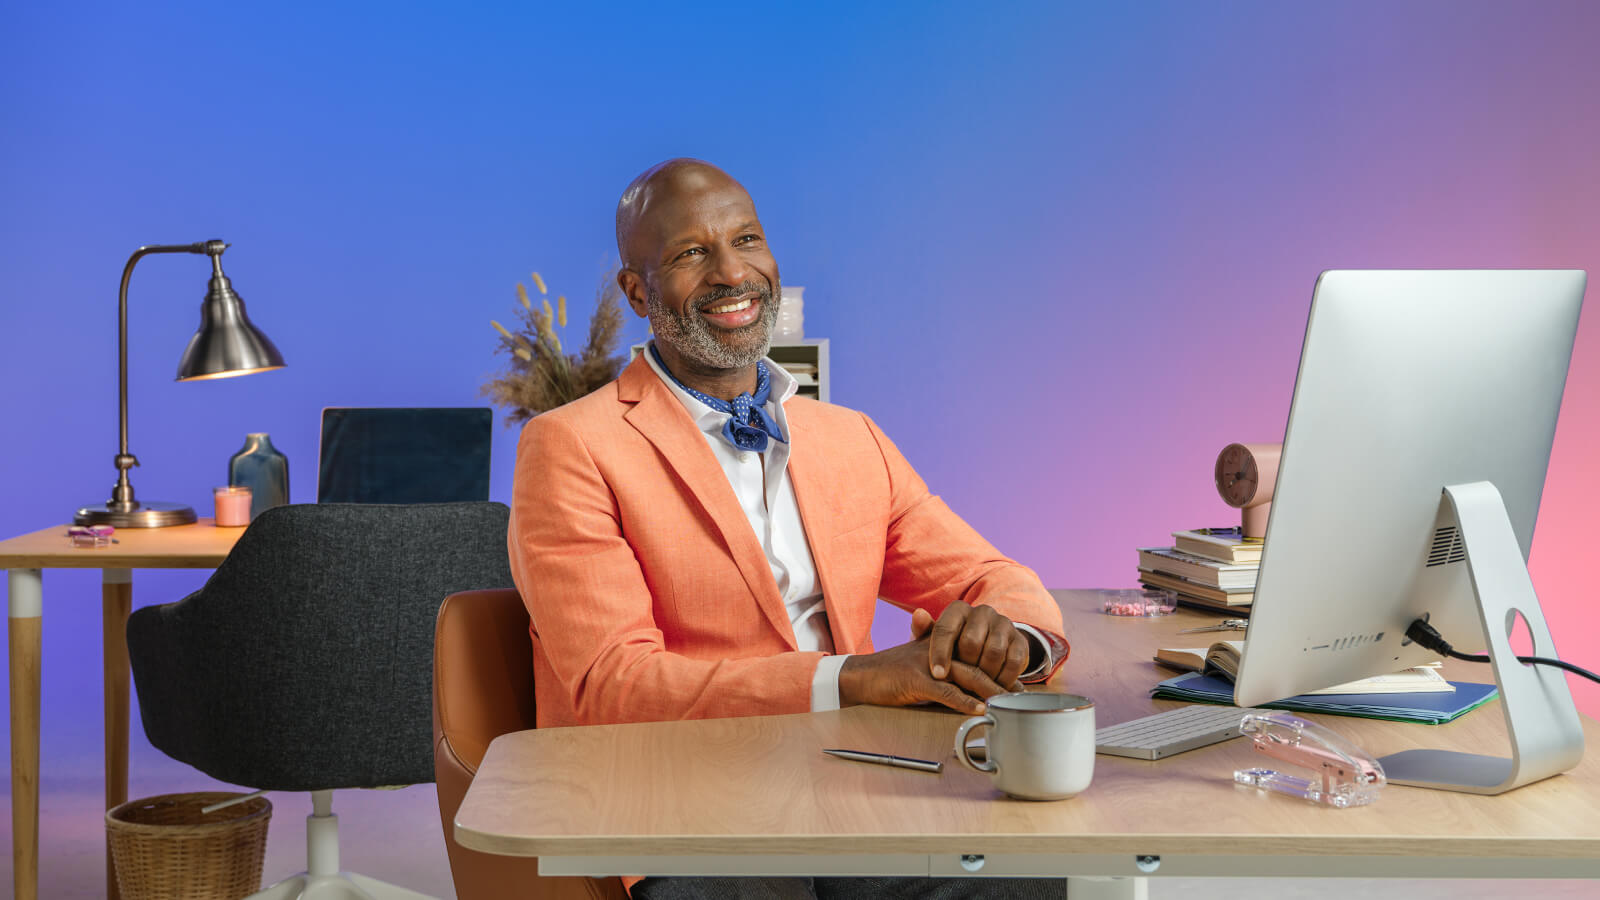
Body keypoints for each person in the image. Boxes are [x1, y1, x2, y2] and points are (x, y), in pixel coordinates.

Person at [507, 159, 1071, 899]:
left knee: (1030, 876)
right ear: (638, 292)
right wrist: (858, 679)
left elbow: (993, 577)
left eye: (747, 240)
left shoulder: (850, 437)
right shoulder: (570, 446)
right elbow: (616, 685)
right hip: (679, 801)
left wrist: (1007, 638)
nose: (731, 272)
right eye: (690, 252)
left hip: (855, 782)